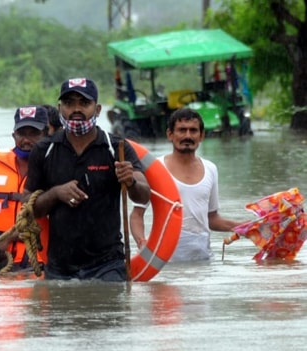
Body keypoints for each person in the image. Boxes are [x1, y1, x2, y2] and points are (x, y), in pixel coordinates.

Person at [25, 78, 151, 281]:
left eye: (84, 103)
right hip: (59, 267)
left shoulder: (117, 148)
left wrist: (131, 181)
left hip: (108, 265)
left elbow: (144, 194)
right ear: (60, 108)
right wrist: (56, 193)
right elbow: (31, 207)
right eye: (69, 103)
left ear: (98, 109)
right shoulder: (44, 149)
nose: (76, 109)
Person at [130, 107, 242, 261]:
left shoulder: (211, 169)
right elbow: (137, 215)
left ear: (201, 135)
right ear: (170, 134)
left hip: (203, 261)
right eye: (182, 130)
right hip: (164, 264)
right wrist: (142, 242)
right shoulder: (156, 169)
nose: (187, 136)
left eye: (193, 130)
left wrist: (244, 227)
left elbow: (212, 219)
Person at [0, 105, 49, 271]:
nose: (26, 140)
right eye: (21, 134)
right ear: (13, 135)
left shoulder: (54, 165)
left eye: (34, 134)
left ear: (46, 134)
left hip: (39, 261)